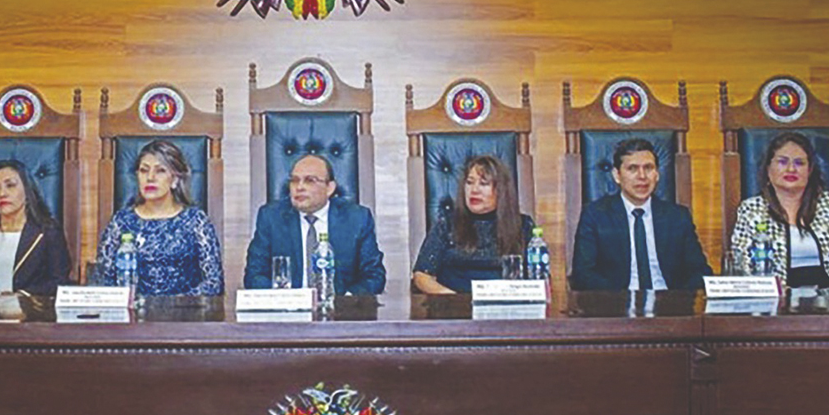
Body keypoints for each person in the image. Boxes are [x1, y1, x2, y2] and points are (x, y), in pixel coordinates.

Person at [729, 131, 829, 287]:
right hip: (776, 302)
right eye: (782, 162)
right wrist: (776, 292)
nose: (791, 169)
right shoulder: (751, 210)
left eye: (799, 163)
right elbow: (743, 265)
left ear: (809, 170)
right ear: (768, 169)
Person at [570, 138, 711, 291]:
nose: (642, 176)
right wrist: (619, 301)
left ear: (657, 174)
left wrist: (679, 301)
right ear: (617, 175)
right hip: (616, 306)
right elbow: (583, 274)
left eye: (648, 168)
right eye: (632, 169)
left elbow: (700, 271)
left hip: (670, 305)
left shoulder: (677, 217)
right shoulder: (596, 215)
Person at [244, 154, 386, 294]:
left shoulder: (357, 219)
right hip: (287, 311)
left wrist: (346, 302)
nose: (299, 187)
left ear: (329, 188)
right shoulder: (271, 217)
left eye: (310, 180)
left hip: (341, 312)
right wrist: (284, 298)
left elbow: (374, 276)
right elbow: (254, 275)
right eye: (294, 180)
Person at [95, 140, 223, 296]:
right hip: (132, 315)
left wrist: (168, 306)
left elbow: (214, 283)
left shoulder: (196, 221)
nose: (150, 178)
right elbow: (103, 281)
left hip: (185, 315)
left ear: (175, 179)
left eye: (160, 171)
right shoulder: (121, 222)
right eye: (144, 170)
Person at [413, 155, 535, 294]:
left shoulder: (522, 225)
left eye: (483, 184)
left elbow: (538, 276)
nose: (474, 190)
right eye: (469, 182)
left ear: (501, 190)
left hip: (505, 308)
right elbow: (422, 275)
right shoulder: (446, 223)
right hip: (454, 308)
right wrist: (452, 299)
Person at [0, 159, 72, 296]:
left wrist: (21, 296)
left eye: (10, 185)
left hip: (33, 313)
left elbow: (59, 281)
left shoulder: (48, 232)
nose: (1, 194)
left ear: (27, 191)